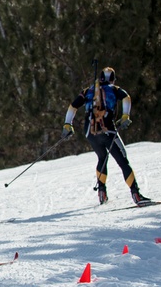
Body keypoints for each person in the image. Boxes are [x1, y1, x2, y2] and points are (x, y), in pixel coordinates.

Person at [63, 66, 149, 205]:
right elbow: (126, 98)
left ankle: (102, 192)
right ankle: (136, 194)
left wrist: (68, 125)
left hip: (89, 132)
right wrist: (125, 116)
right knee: (122, 160)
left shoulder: (88, 90)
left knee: (102, 157)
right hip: (107, 130)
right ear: (113, 79)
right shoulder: (114, 89)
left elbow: (73, 106)